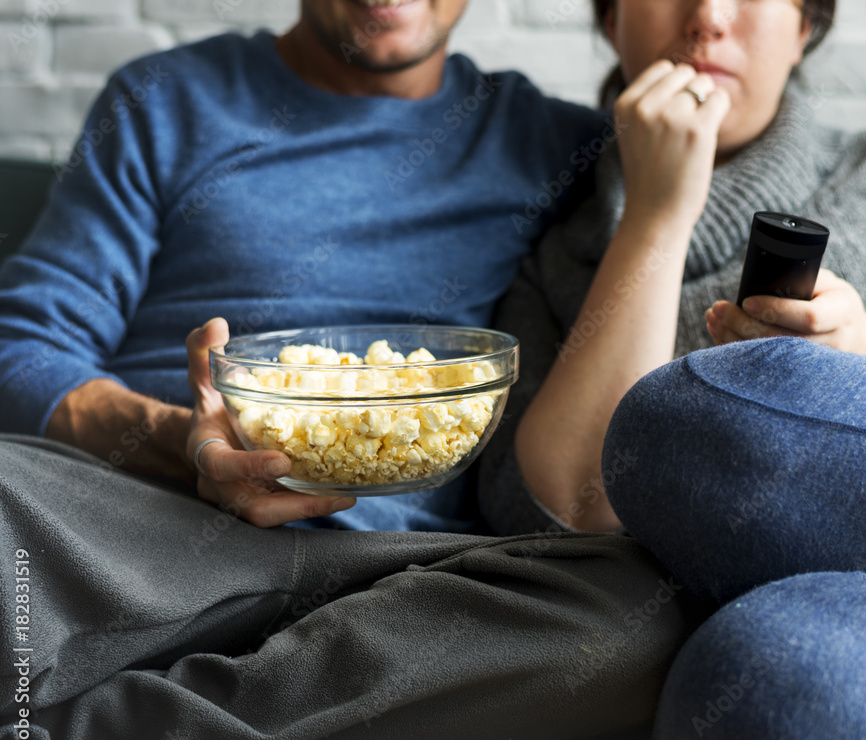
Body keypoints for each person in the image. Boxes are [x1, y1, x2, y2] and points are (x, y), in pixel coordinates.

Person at [473, 0, 866, 740]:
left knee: (700, 417)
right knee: (761, 681)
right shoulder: (558, 261)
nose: (709, 17)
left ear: (807, 27)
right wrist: (657, 216)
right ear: (612, 21)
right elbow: (568, 516)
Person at [0, 0, 610, 533]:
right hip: (138, 520)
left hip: (395, 572)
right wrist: (184, 443)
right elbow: (20, 351)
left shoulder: (549, 143)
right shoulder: (165, 101)